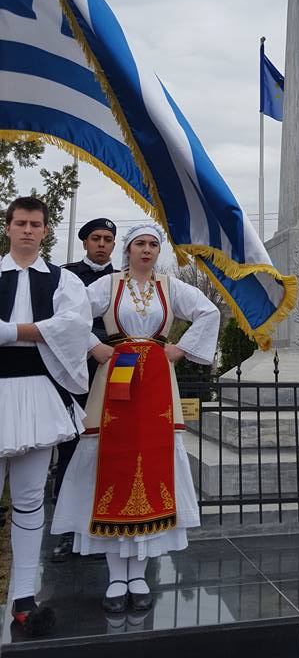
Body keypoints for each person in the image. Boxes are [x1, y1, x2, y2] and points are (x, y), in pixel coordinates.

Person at [52, 222, 220, 614]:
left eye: (153, 245)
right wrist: (95, 345)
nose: (146, 250)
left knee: (155, 462)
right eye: (140, 244)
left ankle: (140, 573)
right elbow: (69, 312)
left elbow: (208, 311)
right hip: (115, 383)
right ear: (127, 250)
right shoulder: (107, 286)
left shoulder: (170, 287)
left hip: (158, 384)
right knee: (114, 465)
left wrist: (178, 350)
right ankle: (115, 575)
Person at [0, 196, 91, 634]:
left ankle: (22, 596)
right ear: (8, 227)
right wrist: (39, 332)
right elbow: (56, 328)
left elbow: (73, 327)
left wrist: (14, 332)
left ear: (45, 230)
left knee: (31, 498)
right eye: (21, 223)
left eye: (36, 224)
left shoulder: (63, 280)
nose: (28, 231)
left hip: (38, 394)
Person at [52, 217, 117, 563]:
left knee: (110, 448)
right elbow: (60, 321)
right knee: (73, 449)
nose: (102, 244)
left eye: (108, 239)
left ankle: (104, 524)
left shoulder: (123, 278)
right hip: (77, 371)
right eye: (96, 238)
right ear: (85, 242)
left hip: (115, 371)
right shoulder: (66, 275)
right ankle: (66, 531)